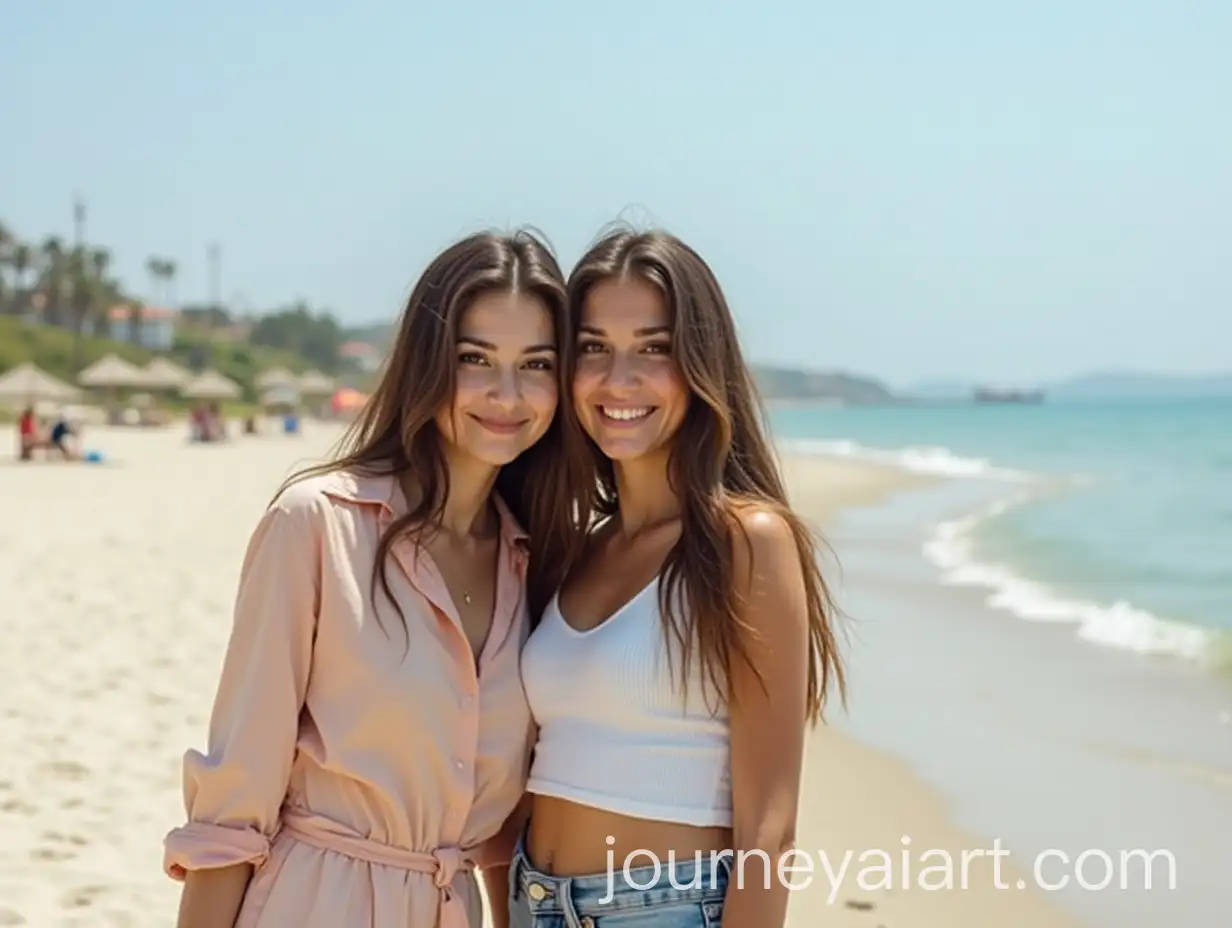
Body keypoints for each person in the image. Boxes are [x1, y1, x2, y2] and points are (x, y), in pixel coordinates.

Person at [163, 229, 590, 928]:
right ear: (427, 364)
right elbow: (231, 804)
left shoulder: (536, 561)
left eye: (535, 363)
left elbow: (500, 839)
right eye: (474, 358)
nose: (506, 394)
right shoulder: (316, 525)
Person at [510, 227, 847, 928]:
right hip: (531, 900)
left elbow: (769, 829)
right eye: (594, 347)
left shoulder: (745, 543)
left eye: (653, 348)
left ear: (700, 364)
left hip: (662, 910)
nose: (618, 379)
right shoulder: (573, 549)